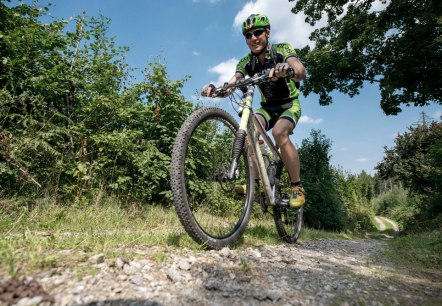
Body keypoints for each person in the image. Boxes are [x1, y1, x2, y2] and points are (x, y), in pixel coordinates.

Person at [202, 13, 306, 208]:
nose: (253, 38)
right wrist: (216, 90)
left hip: (289, 105)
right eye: (248, 35)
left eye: (257, 32)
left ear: (267, 33)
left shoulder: (281, 50)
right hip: (267, 108)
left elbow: (300, 71)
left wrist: (288, 69)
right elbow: (232, 83)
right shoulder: (246, 62)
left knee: (279, 133)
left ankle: (296, 187)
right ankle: (256, 184)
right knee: (250, 133)